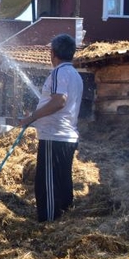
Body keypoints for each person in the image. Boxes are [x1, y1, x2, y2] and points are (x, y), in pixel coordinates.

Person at [19, 34, 83, 222]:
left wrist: (32, 117)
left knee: (46, 182)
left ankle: (48, 220)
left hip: (54, 136)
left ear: (53, 53)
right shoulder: (76, 75)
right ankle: (65, 215)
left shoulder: (58, 73)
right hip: (68, 136)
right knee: (63, 178)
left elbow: (59, 101)